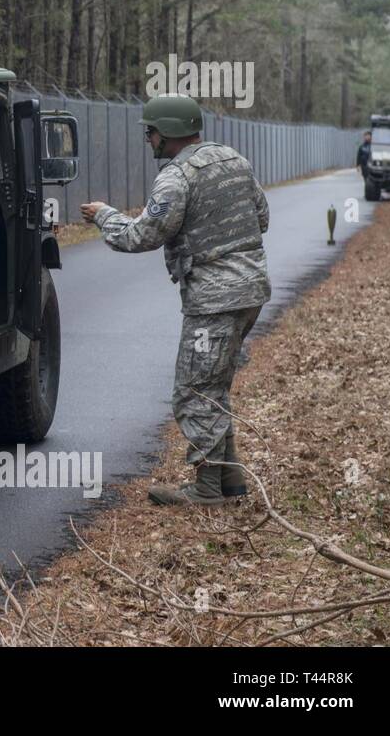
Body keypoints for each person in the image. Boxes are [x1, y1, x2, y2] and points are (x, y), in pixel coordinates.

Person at [79, 94, 270, 506]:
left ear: (165, 133)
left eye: (150, 133)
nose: (148, 140)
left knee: (193, 392)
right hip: (251, 292)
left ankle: (205, 491)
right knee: (212, 387)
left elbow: (142, 236)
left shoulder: (176, 177)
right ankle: (230, 480)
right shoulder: (233, 159)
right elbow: (263, 217)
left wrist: (104, 216)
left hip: (213, 303)